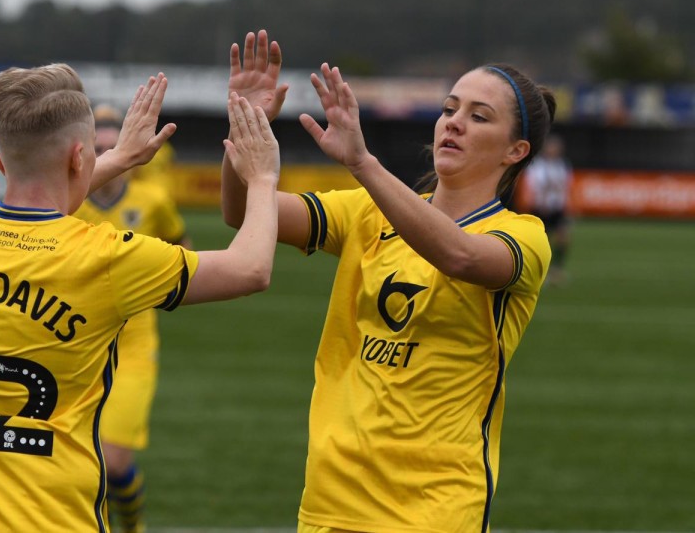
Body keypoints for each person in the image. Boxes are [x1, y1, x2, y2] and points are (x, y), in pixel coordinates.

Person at [0, 63, 281, 532]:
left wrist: (118, 157)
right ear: (81, 158)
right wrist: (262, 177)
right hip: (43, 519)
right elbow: (250, 268)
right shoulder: (106, 259)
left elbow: (45, 197)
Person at [221, 31, 554, 532]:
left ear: (515, 150)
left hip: (433, 508)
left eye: (479, 117)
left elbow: (459, 255)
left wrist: (362, 162)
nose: (454, 122)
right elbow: (241, 212)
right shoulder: (365, 212)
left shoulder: (523, 237)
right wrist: (243, 129)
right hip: (332, 499)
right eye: (449, 109)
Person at [72, 104, 191, 533]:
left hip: (133, 346)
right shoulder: (68, 203)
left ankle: (133, 526)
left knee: (114, 461)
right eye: (97, 149)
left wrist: (156, 279)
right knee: (80, 464)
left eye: (112, 148)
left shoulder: (152, 201)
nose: (105, 156)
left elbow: (181, 246)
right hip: (77, 346)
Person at [523, 134, 572, 284]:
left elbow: (565, 187)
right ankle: (540, 271)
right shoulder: (537, 166)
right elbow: (534, 186)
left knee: (563, 238)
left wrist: (566, 204)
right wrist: (538, 202)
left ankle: (557, 269)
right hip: (542, 209)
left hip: (557, 207)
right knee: (544, 241)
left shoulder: (562, 165)